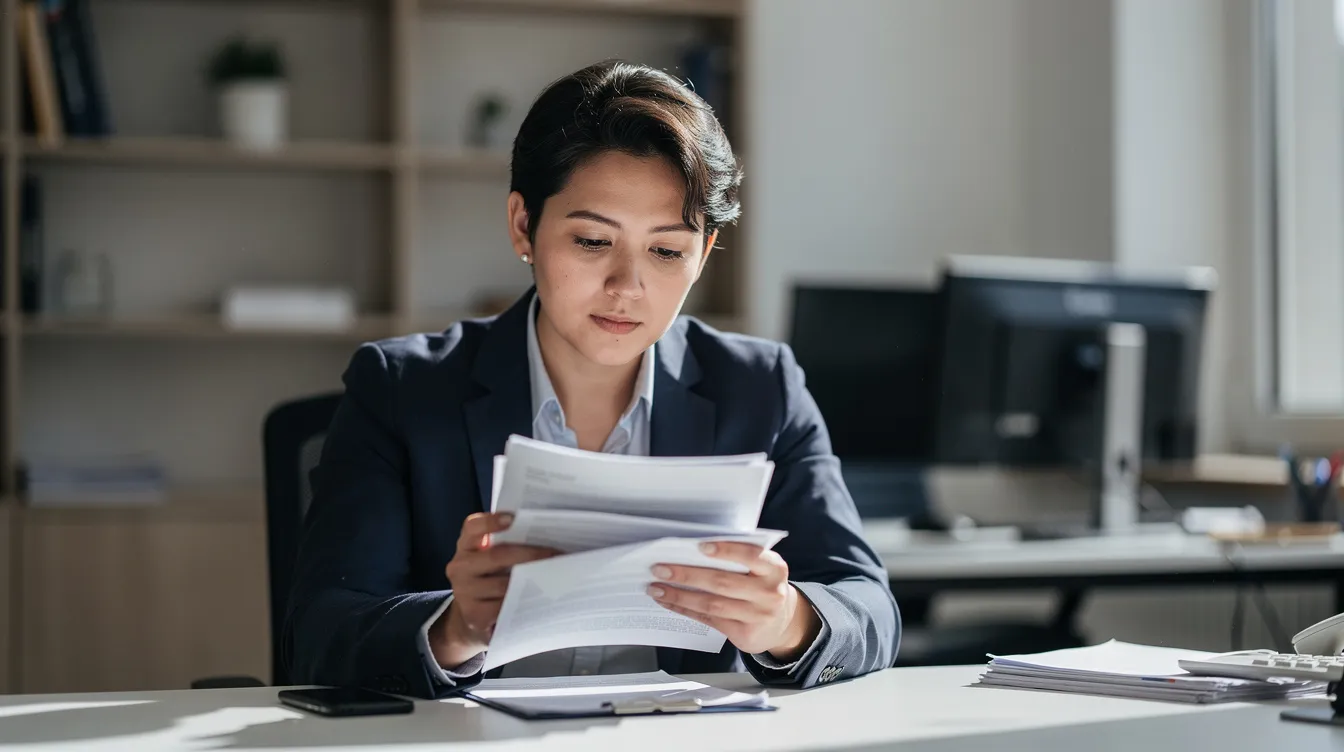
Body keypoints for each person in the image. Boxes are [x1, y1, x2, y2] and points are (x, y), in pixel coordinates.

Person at [285, 60, 900, 699]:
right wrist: (454, 628)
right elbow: (320, 636)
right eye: (591, 241)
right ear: (524, 225)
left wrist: (786, 619)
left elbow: (871, 610)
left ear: (704, 253)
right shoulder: (401, 388)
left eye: (666, 251)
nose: (627, 288)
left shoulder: (761, 387)